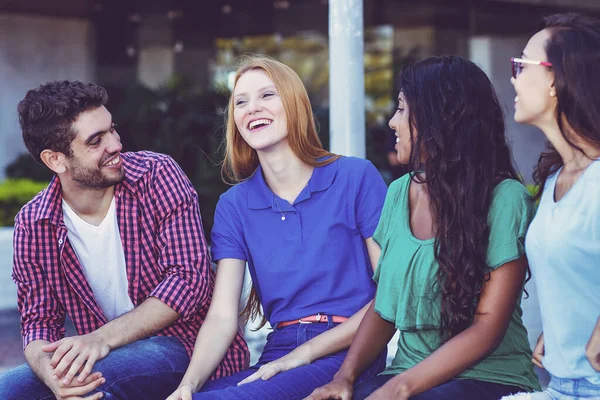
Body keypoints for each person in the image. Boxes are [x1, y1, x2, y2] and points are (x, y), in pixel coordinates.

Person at [307, 55, 540, 400]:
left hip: (489, 376)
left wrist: (398, 390)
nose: (391, 123)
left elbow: (488, 327)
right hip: (407, 372)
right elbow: (384, 306)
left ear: (438, 120)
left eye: (401, 109)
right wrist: (345, 377)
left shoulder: (506, 199)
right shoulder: (399, 192)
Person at [0, 81, 249, 400]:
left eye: (112, 130)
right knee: (10, 389)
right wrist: (50, 375)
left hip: (187, 345)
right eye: (96, 141)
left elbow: (189, 280)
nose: (116, 144)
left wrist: (101, 339)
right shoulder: (34, 223)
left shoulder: (157, 175)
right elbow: (39, 322)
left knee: (96, 383)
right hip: (110, 356)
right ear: (55, 160)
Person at [166, 55, 388, 400]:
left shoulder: (355, 177)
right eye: (241, 102)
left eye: (267, 96)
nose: (252, 108)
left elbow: (390, 295)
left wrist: (305, 354)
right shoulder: (234, 205)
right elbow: (223, 317)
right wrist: (188, 384)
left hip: (351, 351)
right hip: (278, 352)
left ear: (295, 104)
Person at [501, 13, 600, 400]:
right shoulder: (557, 177)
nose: (513, 77)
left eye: (521, 64)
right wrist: (562, 329)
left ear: (556, 79)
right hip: (561, 385)